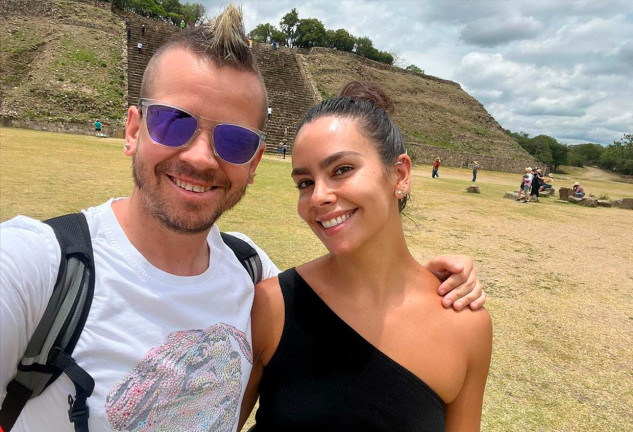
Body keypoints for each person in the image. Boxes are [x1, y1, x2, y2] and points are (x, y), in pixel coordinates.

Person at [1, 7, 484, 432]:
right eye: (175, 122)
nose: (202, 157)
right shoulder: (36, 268)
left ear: (253, 165)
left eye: (233, 141)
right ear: (133, 129)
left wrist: (440, 278)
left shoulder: (253, 279)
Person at [241, 82, 492, 431]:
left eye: (341, 169)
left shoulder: (466, 326)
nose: (319, 197)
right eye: (305, 183)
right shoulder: (272, 307)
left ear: (400, 175)